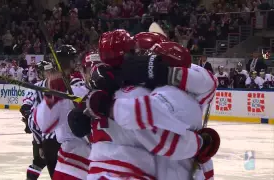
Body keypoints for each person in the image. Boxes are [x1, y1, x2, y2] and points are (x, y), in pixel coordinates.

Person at [82, 30, 220, 180]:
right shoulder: (145, 90)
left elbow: (159, 137)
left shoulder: (164, 93)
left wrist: (106, 106)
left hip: (175, 170)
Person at [34, 45, 91, 180]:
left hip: (98, 162)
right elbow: (43, 124)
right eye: (88, 69)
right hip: (72, 161)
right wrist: (52, 98)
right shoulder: (66, 87)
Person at [20, 60, 60, 179]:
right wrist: (28, 116)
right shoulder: (36, 87)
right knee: (39, 163)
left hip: (57, 134)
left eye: (49, 71)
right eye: (45, 71)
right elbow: (26, 106)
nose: (48, 73)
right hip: (42, 135)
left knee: (53, 164)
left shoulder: (59, 86)